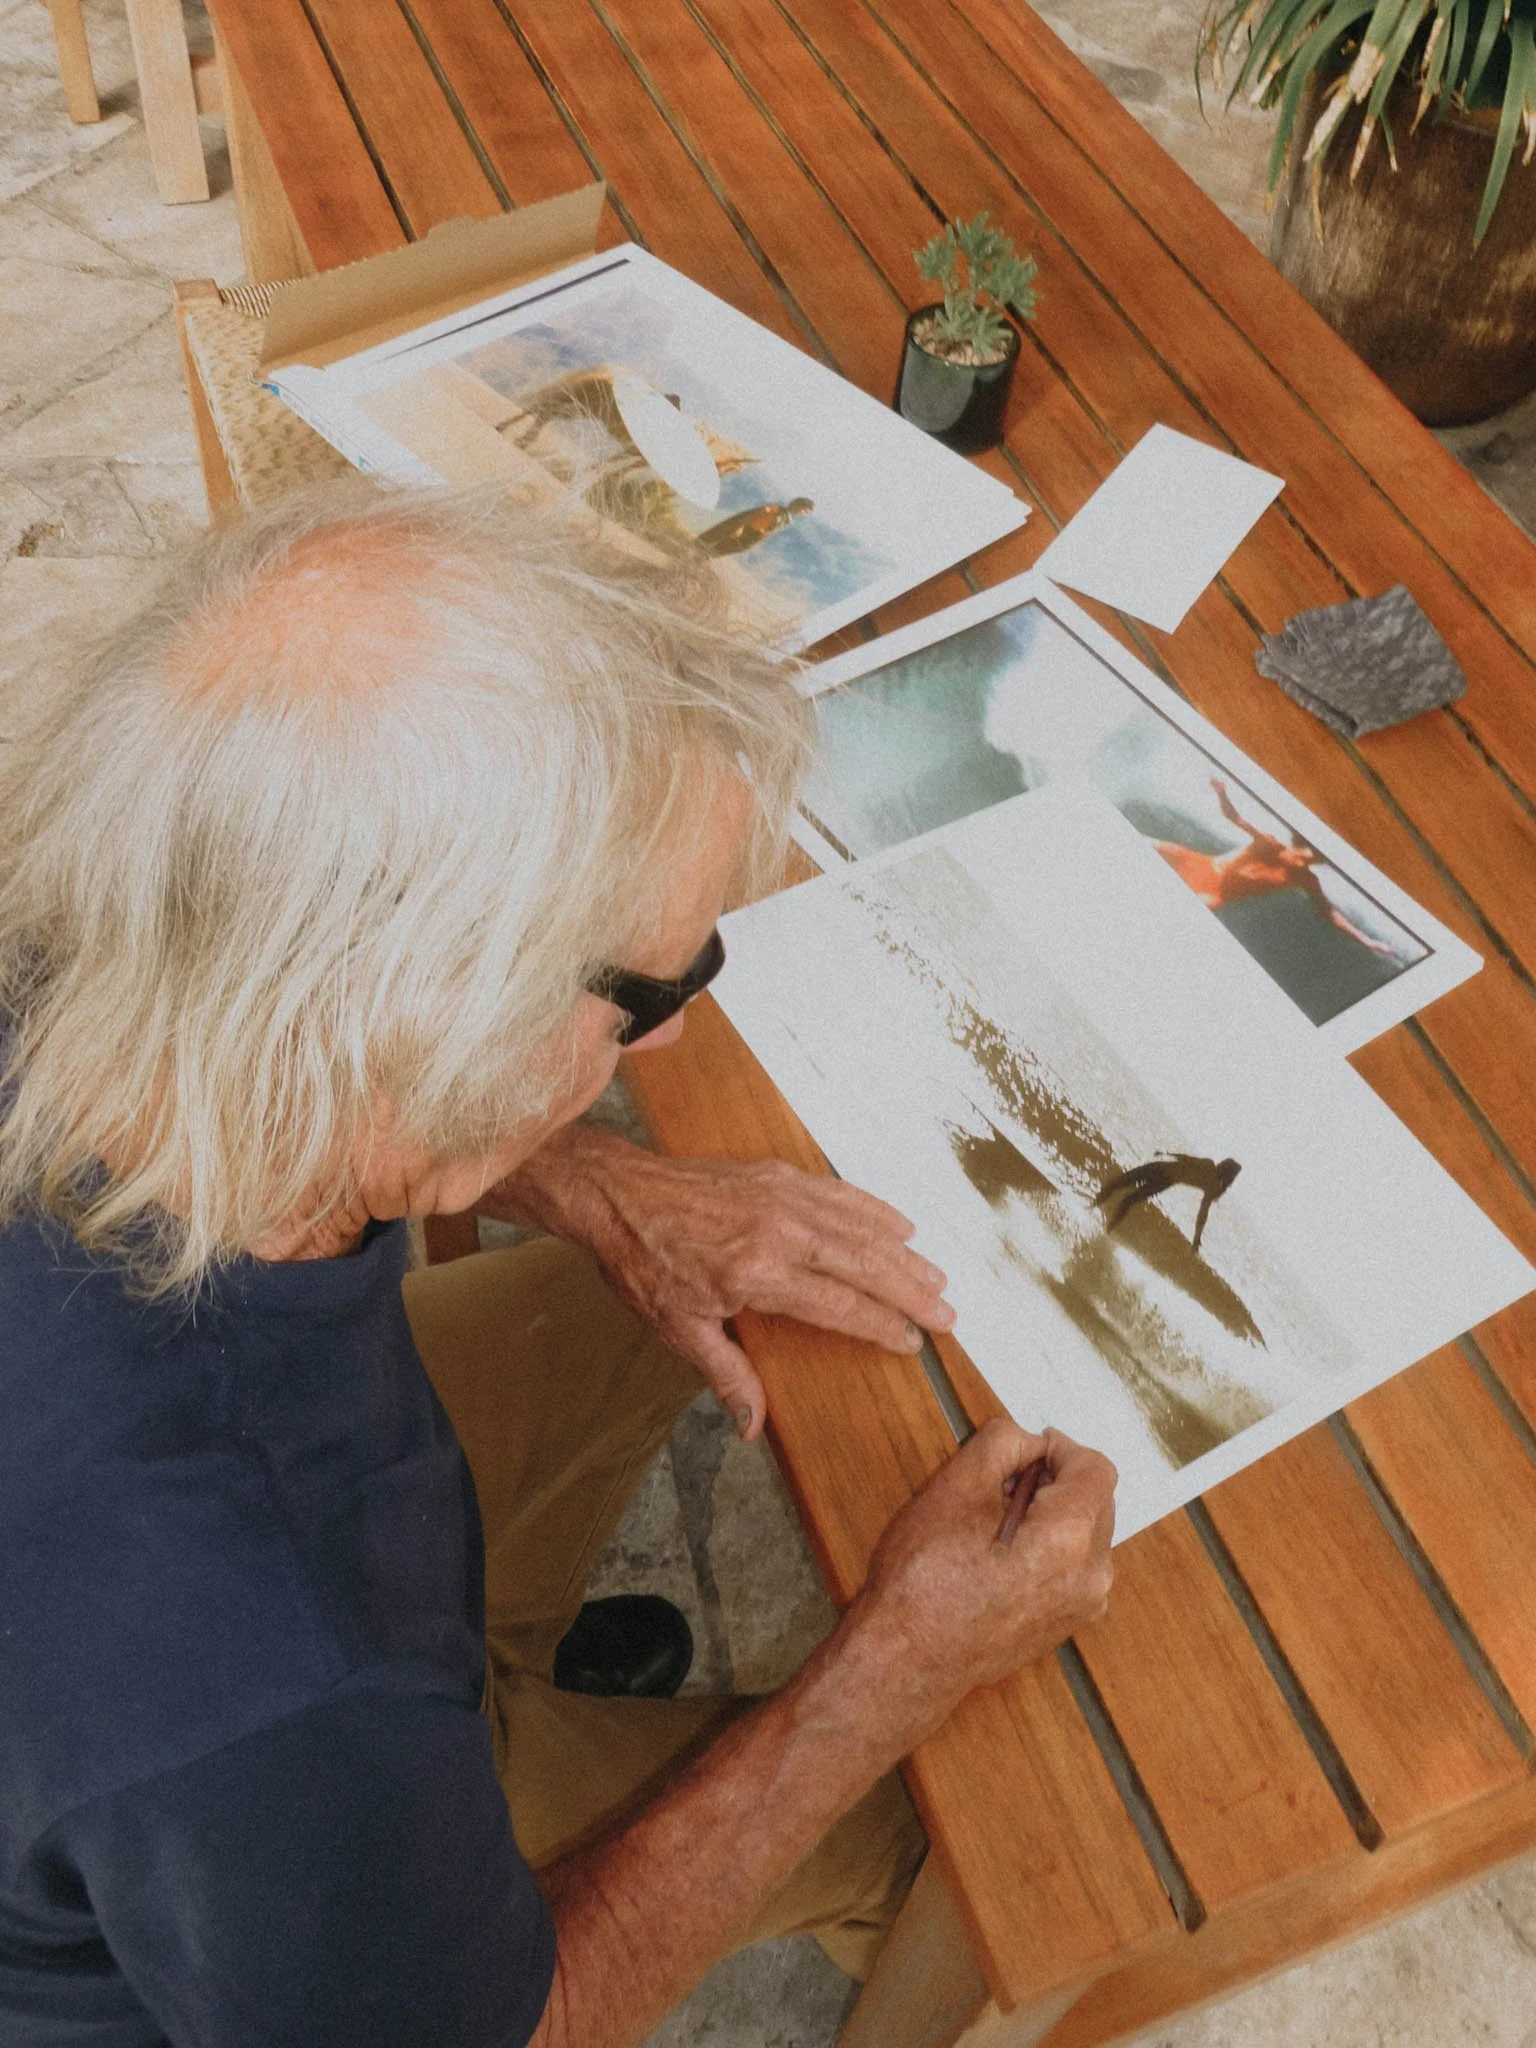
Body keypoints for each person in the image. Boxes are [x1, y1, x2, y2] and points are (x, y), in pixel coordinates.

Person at [0, 484, 1116, 2048]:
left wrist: (589, 1177)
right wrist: (892, 1668)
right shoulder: (267, 1683)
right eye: (653, 990)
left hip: (229, 1674)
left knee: (710, 1273)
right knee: (966, 1844)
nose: (668, 1036)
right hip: (268, 1877)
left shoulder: (123, 896)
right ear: (426, 1032)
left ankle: (503, 1689)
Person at [1153, 777, 1399, 958]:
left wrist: (1368, 941)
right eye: (1302, 854)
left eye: (1310, 860)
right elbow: (1234, 818)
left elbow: (1329, 913)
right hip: (1204, 865)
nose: (1300, 861)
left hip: (1216, 894)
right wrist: (1222, 793)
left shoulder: (1306, 880)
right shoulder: (1269, 842)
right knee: (1160, 847)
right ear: (1297, 844)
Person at [1094, 1153, 1242, 1255]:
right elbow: (1203, 1213)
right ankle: (1107, 1230)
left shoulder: (1209, 1165)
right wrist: (1196, 1238)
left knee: (1117, 1184)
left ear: (1223, 1166)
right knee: (1127, 1202)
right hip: (1165, 1182)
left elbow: (1186, 1158)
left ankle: (1094, 1206)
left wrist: (1167, 1153)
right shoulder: (1214, 1188)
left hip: (1159, 1169)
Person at [693, 496, 815, 556]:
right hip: (744, 528)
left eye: (806, 512)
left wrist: (754, 542)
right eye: (804, 509)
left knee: (718, 551)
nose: (803, 513)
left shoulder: (787, 520)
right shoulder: (776, 509)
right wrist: (740, 527)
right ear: (797, 504)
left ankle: (695, 559)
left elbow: (769, 531)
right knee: (710, 540)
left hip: (751, 537)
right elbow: (755, 514)